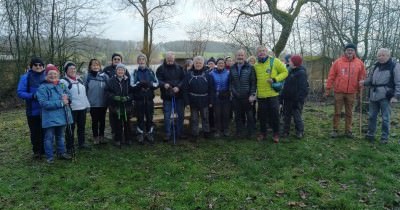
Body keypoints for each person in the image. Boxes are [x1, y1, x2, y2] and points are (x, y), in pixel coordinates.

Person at [325, 43, 366, 138]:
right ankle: (335, 130)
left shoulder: (359, 63)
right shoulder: (337, 62)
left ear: (354, 52)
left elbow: (362, 77)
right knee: (337, 112)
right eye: (348, 50)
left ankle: (348, 131)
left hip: (352, 92)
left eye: (352, 50)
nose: (350, 51)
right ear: (345, 51)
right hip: (339, 91)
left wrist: (360, 90)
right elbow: (331, 76)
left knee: (349, 113)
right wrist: (328, 88)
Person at [361, 48, 400, 144]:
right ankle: (370, 134)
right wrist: (364, 82)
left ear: (388, 56)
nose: (381, 57)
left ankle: (384, 137)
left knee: (385, 118)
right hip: (373, 95)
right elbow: (371, 79)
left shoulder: (394, 66)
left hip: (386, 96)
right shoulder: (376, 66)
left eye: (383, 55)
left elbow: (398, 82)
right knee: (371, 116)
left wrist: (396, 96)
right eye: (379, 55)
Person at [36, 64, 72, 164]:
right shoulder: (42, 87)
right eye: (50, 74)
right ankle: (50, 157)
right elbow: (44, 103)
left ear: (58, 74)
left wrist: (67, 98)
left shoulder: (62, 85)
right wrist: (61, 103)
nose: (53, 76)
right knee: (49, 137)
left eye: (55, 74)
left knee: (60, 136)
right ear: (46, 75)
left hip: (62, 115)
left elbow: (69, 94)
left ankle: (61, 153)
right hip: (49, 117)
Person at [254, 45, 288, 143]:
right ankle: (263, 133)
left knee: (275, 116)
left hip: (273, 94)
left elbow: (285, 72)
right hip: (261, 96)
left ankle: (276, 134)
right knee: (262, 116)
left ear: (267, 52)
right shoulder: (255, 65)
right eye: (260, 51)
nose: (262, 52)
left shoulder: (275, 61)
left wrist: (275, 79)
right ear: (257, 53)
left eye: (264, 51)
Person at [17, 57, 46, 159]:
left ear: (43, 66)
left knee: (45, 131)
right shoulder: (26, 77)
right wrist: (32, 96)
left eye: (40, 65)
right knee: (35, 131)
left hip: (46, 110)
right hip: (32, 110)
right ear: (31, 66)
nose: (38, 67)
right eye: (36, 65)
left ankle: (44, 149)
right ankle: (37, 151)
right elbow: (20, 92)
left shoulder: (46, 76)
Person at [156, 51, 187, 142]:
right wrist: (163, 84)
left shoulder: (180, 68)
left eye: (171, 59)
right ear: (166, 58)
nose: (170, 61)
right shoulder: (160, 68)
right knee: (167, 116)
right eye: (168, 59)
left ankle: (180, 132)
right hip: (167, 96)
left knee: (180, 115)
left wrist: (178, 87)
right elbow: (157, 79)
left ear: (174, 59)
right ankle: (167, 134)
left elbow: (183, 79)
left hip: (179, 95)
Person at [60, 61, 90, 151]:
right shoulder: (63, 81)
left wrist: (87, 105)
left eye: (74, 68)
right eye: (70, 69)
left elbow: (84, 94)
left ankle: (82, 143)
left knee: (81, 126)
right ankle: (69, 146)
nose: (73, 70)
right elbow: (61, 94)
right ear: (66, 70)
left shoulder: (80, 80)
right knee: (70, 128)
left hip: (82, 108)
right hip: (71, 108)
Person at [183, 56, 215, 141]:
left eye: (200, 63)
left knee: (205, 117)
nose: (198, 64)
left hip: (205, 100)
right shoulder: (188, 74)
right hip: (193, 101)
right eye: (196, 63)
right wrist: (187, 102)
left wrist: (211, 101)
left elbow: (212, 89)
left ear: (203, 64)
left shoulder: (208, 75)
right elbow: (185, 89)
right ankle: (194, 134)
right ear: (194, 64)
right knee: (194, 119)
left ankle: (206, 132)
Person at [131, 54, 159, 144]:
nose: (142, 61)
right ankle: (140, 133)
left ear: (146, 61)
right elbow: (131, 85)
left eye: (143, 59)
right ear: (138, 61)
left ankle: (149, 133)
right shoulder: (134, 72)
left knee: (149, 117)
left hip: (149, 99)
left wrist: (149, 84)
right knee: (140, 117)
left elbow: (156, 83)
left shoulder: (151, 71)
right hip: (139, 99)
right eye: (140, 59)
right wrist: (139, 84)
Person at [105, 63, 134, 146]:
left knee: (127, 123)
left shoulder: (128, 80)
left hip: (127, 106)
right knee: (117, 123)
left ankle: (128, 138)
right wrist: (114, 97)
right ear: (116, 71)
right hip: (115, 106)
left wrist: (128, 97)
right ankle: (118, 139)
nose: (120, 71)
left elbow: (132, 92)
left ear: (124, 71)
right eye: (119, 69)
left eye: (122, 70)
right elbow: (107, 92)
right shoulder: (111, 80)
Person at [230, 49, 256, 138]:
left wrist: (252, 94)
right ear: (236, 56)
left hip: (247, 96)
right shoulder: (232, 68)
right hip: (236, 97)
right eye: (238, 55)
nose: (240, 57)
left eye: (242, 55)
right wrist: (234, 92)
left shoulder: (250, 67)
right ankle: (239, 132)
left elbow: (253, 82)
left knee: (249, 115)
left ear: (245, 56)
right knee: (238, 116)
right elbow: (231, 82)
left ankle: (251, 132)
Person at [280, 55, 309, 139]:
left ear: (295, 63)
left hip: (296, 100)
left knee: (297, 116)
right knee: (286, 116)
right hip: (287, 99)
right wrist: (282, 96)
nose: (289, 62)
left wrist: (298, 100)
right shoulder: (290, 71)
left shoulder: (301, 73)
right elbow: (285, 86)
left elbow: (303, 89)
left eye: (291, 61)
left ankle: (300, 131)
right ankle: (286, 131)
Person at [85, 59, 109, 145]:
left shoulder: (105, 76)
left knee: (102, 121)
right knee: (95, 121)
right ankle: (95, 137)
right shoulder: (87, 76)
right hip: (92, 104)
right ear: (90, 66)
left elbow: (109, 89)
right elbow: (84, 89)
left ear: (100, 66)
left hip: (103, 103)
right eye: (93, 65)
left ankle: (102, 136)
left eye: (97, 65)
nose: (95, 66)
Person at [210, 58, 231, 137]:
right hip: (216, 96)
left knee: (226, 113)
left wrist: (228, 92)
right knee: (217, 114)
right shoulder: (211, 73)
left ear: (224, 64)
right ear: (216, 64)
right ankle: (218, 130)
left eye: (222, 63)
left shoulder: (228, 73)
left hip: (226, 95)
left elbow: (231, 83)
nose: (221, 64)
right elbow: (210, 86)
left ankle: (226, 129)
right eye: (219, 63)